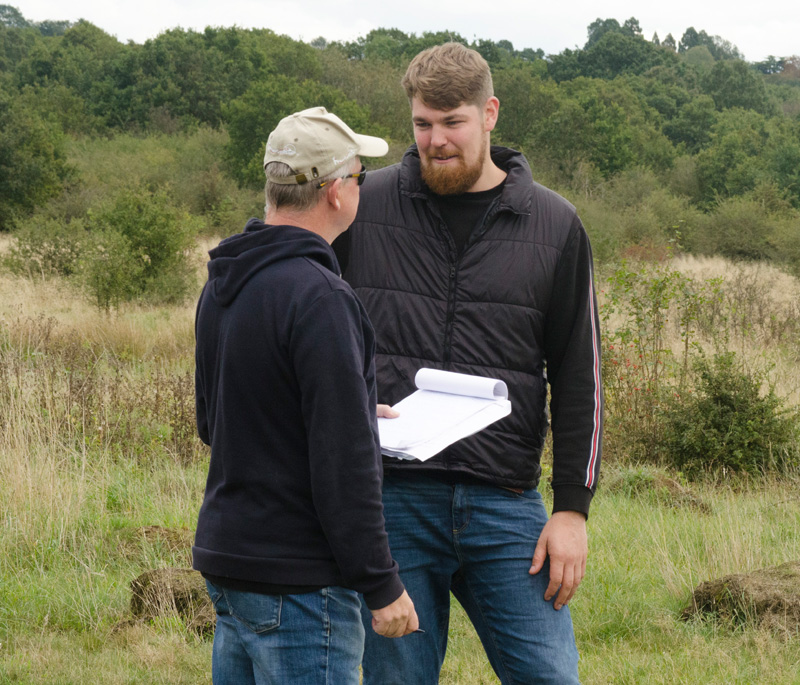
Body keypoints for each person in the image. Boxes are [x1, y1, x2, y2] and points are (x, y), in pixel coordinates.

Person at [334, 43, 603, 684]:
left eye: (452, 122)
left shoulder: (556, 224)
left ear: (490, 113)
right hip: (390, 502)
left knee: (549, 677)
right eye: (422, 123)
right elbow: (293, 306)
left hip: (506, 505)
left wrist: (571, 510)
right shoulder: (361, 207)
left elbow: (579, 377)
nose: (436, 140)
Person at [192, 106, 418, 685]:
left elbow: (217, 423)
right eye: (360, 177)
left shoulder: (226, 282)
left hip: (232, 565)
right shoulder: (321, 297)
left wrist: (344, 406)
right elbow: (343, 465)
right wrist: (381, 584)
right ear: (337, 191)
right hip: (300, 584)